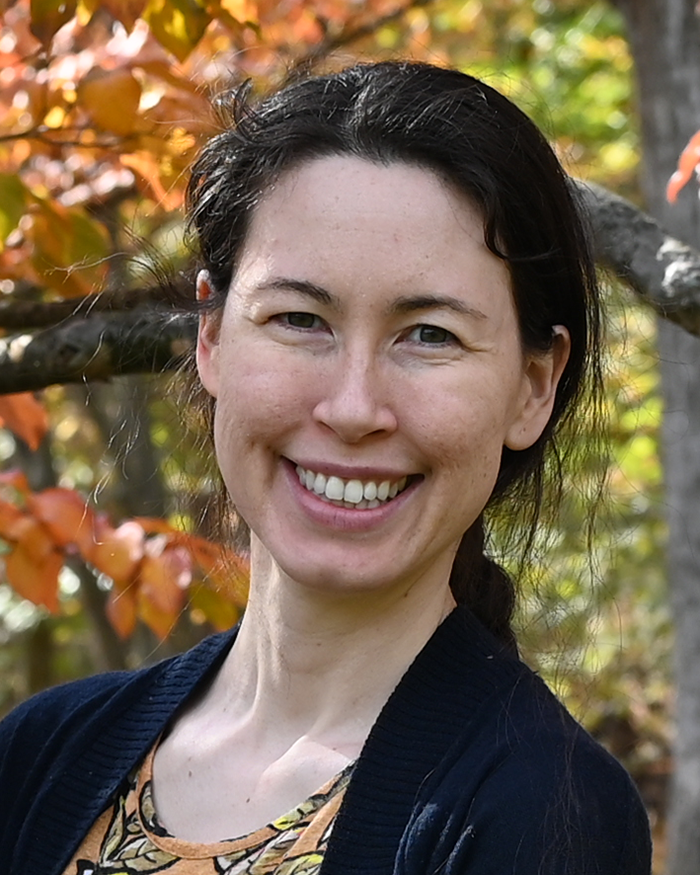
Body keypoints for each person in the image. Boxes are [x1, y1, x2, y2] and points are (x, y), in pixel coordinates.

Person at [0, 61, 651, 875]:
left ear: (533, 385)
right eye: (301, 318)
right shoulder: (38, 756)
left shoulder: (543, 811)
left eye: (430, 335)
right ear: (211, 335)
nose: (352, 407)